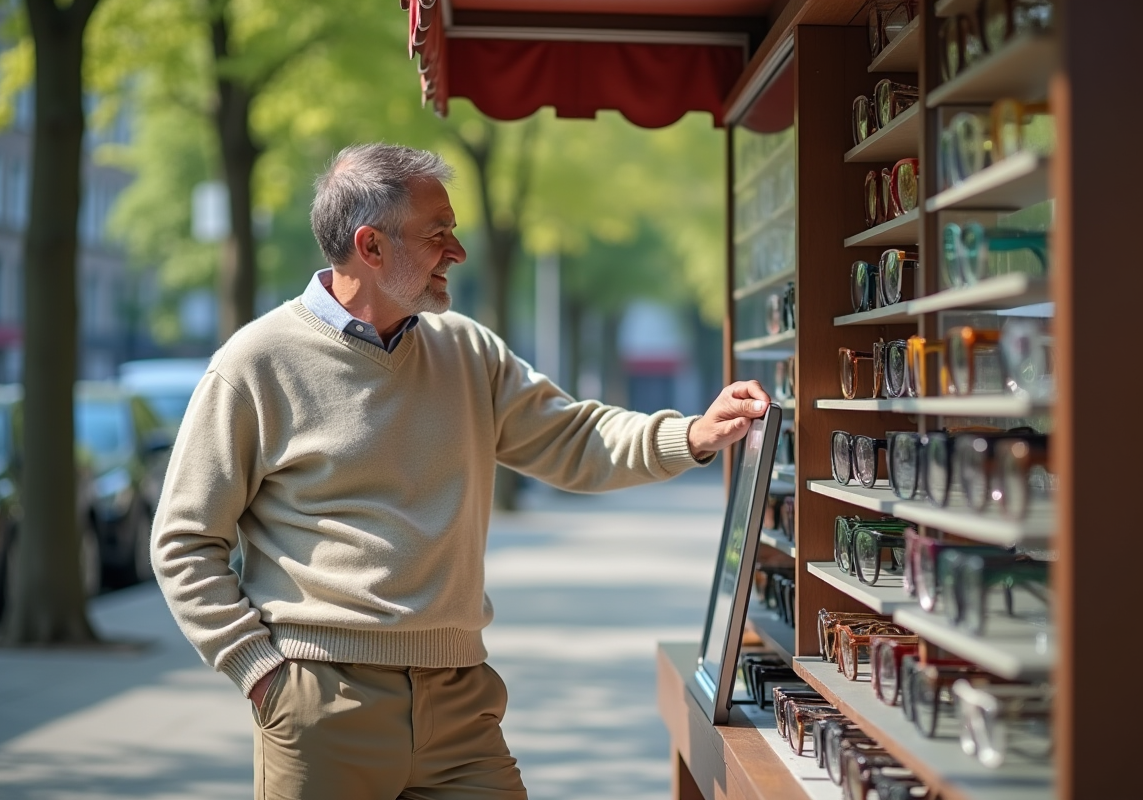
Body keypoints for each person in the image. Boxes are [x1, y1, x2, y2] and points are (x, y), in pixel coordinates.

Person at [151, 143, 772, 800]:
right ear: (371, 246)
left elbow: (575, 437)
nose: (458, 251)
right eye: (437, 233)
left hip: (461, 704)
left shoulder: (469, 351)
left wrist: (694, 434)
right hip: (319, 704)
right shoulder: (255, 364)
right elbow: (184, 539)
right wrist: (262, 674)